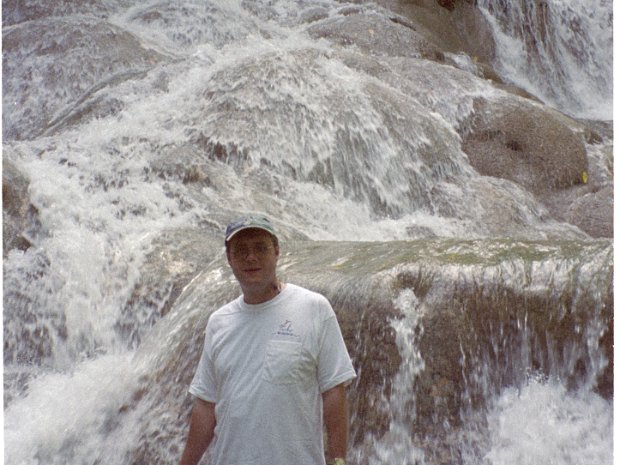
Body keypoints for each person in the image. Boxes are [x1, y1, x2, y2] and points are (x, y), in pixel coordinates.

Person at [179, 215, 356, 465]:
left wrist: (339, 461)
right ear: (229, 259)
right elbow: (206, 407)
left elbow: (333, 391)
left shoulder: (314, 308)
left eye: (260, 248)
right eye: (241, 251)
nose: (251, 257)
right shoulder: (219, 322)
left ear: (276, 252)